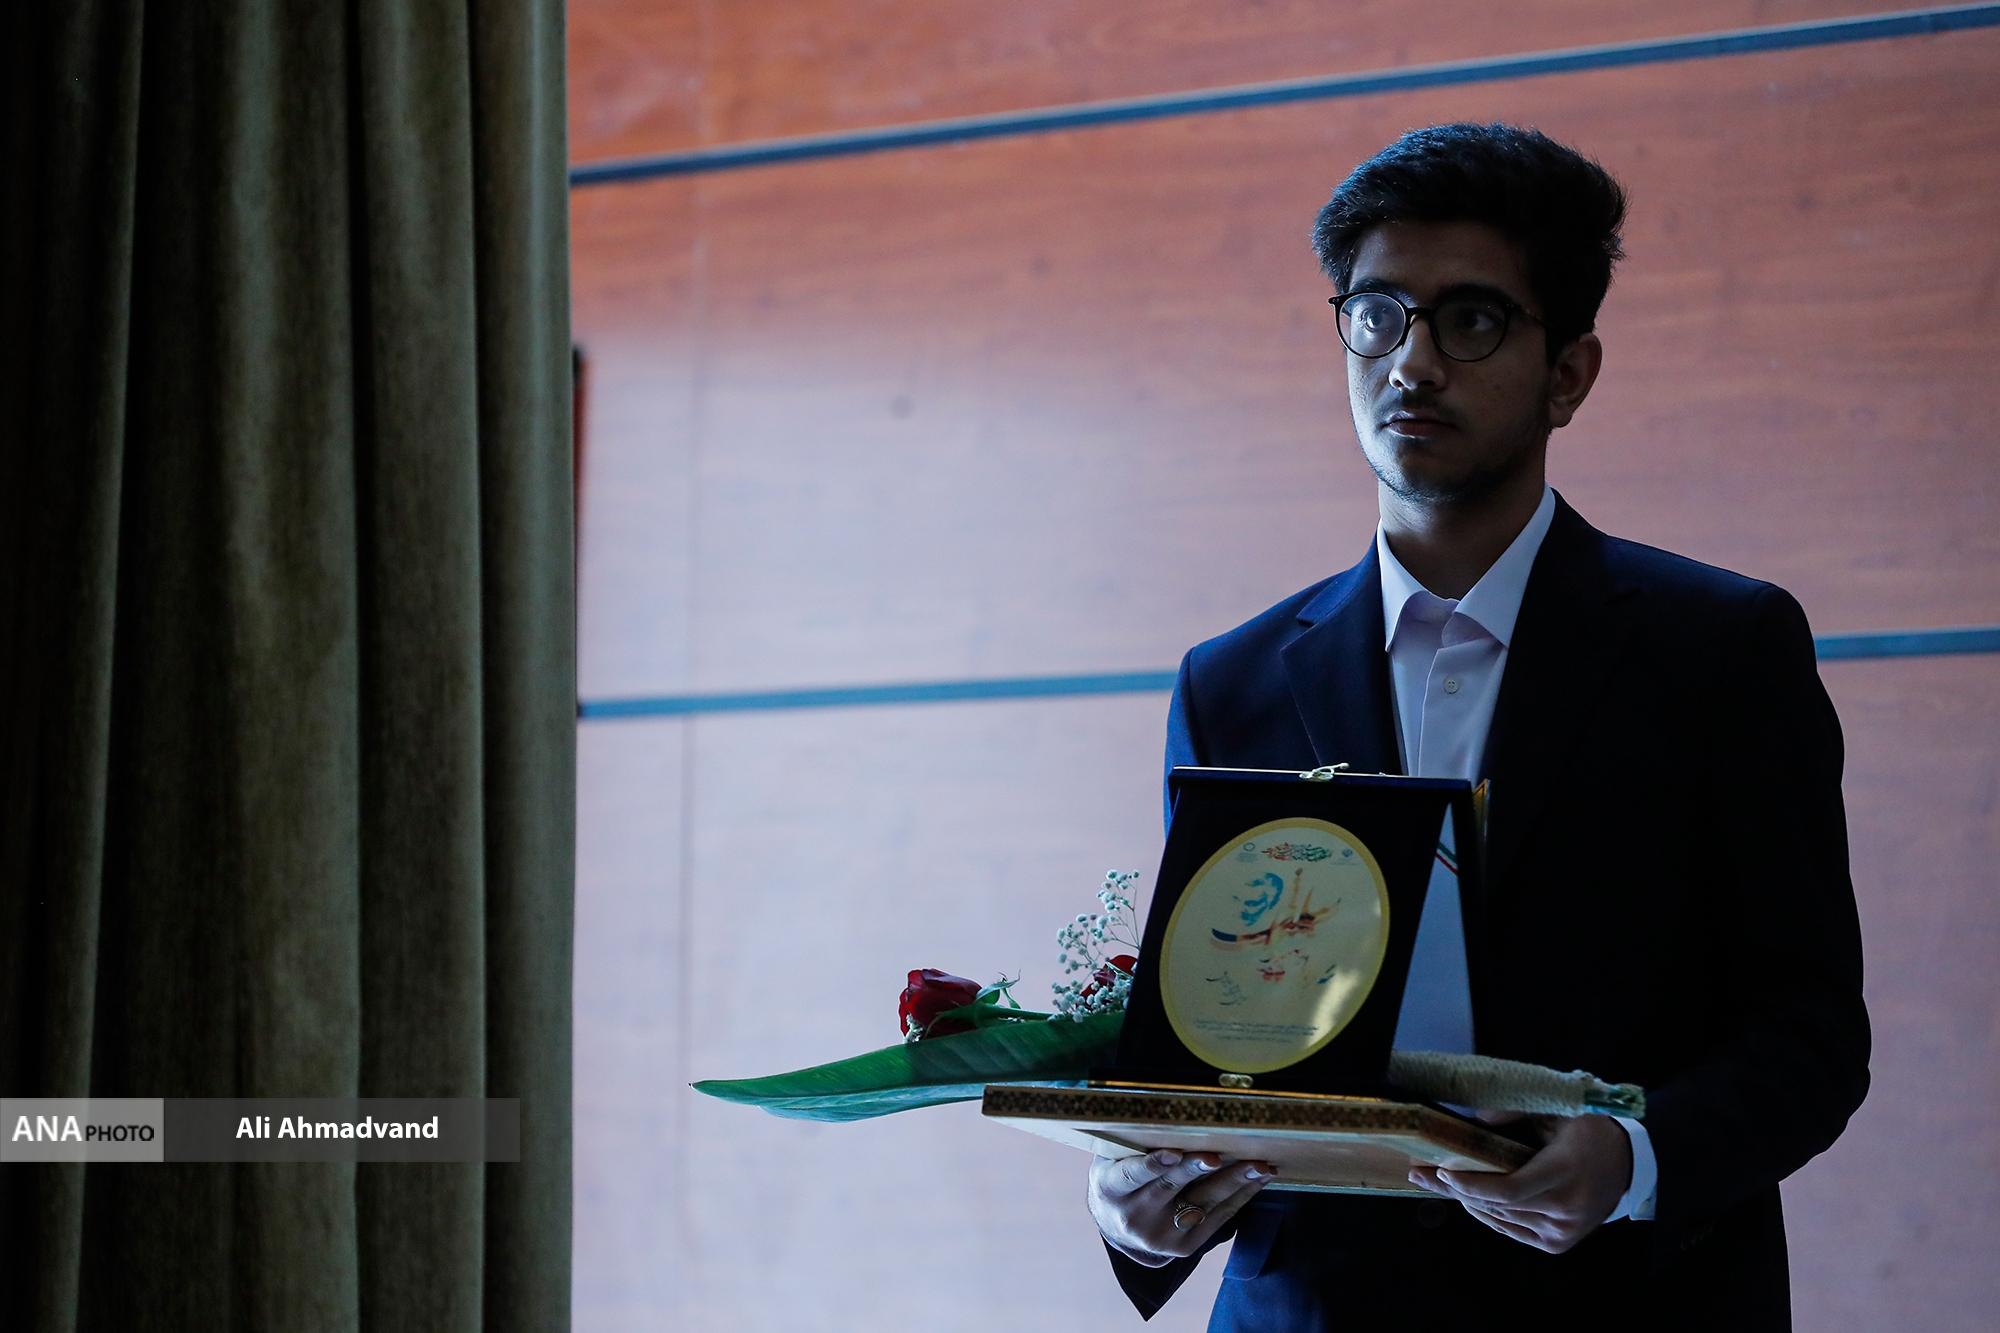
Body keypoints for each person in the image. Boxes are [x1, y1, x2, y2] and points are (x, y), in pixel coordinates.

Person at [1085, 123, 1869, 1329]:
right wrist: (1134, 1202)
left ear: (1568, 373)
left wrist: (1634, 1160)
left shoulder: (1719, 649)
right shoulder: (1229, 681)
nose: (1411, 363)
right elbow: (1218, 1033)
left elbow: (1808, 1035)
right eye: (1376, 314)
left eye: (1471, 320)